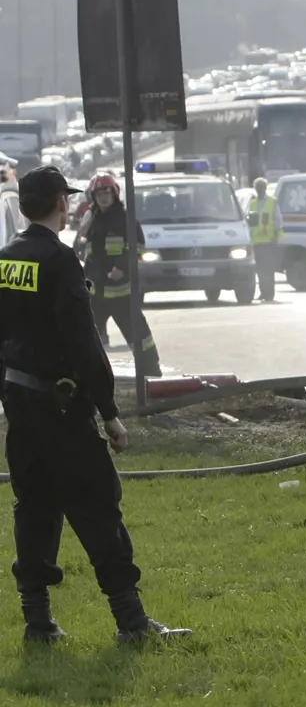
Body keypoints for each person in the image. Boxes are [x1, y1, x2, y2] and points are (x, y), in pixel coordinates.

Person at [0, 166, 190, 643]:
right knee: (97, 508)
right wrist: (109, 412)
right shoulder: (62, 261)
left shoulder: (5, 260)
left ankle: (37, 621)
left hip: (20, 407)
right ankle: (132, 623)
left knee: (34, 508)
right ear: (63, 204)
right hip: (63, 410)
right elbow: (84, 345)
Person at [83, 173, 162, 375]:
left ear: (114, 192)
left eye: (106, 191)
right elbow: (82, 249)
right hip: (96, 292)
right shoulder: (92, 220)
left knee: (140, 337)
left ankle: (151, 373)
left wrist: (123, 267)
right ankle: (84, 381)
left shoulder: (126, 218)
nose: (103, 196)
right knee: (83, 338)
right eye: (98, 193)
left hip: (121, 292)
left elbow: (139, 246)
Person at [246, 177, 283, 303]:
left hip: (269, 241)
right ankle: (263, 292)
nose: (259, 189)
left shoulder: (273, 202)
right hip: (256, 242)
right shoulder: (253, 203)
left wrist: (277, 238)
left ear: (265, 188)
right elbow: (250, 223)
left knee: (268, 269)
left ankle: (269, 294)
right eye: (257, 187)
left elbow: (278, 221)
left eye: (261, 187)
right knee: (260, 270)